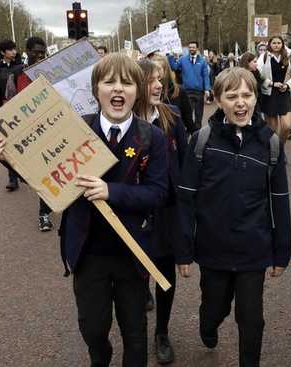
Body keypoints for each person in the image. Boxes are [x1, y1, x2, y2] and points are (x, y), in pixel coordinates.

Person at [0, 53, 169, 367]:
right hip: (88, 253)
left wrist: (112, 191)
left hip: (132, 253)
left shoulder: (152, 138)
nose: (118, 89)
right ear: (96, 89)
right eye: (109, 81)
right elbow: (46, 178)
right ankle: (101, 357)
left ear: (137, 90)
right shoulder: (74, 131)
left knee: (135, 335)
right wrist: (9, 158)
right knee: (93, 330)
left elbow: (158, 193)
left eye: (126, 82)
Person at [175, 67, 291, 367]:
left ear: (256, 98)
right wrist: (183, 250)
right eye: (232, 96)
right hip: (214, 248)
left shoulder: (271, 144)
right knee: (216, 306)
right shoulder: (202, 140)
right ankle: (208, 322)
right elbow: (186, 197)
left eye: (247, 95)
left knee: (251, 318)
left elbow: (280, 201)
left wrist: (282, 251)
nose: (241, 102)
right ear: (217, 100)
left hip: (254, 247)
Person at [134, 59, 187, 365]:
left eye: (161, 79)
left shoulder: (172, 115)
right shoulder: (123, 121)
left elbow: (186, 164)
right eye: (151, 80)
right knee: (136, 273)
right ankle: (138, 325)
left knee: (165, 274)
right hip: (134, 211)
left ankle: (162, 332)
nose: (158, 85)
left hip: (168, 211)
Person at [14, 37, 56, 232]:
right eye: (36, 52)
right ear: (27, 51)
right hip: (30, 132)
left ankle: (45, 212)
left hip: (54, 126)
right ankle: (45, 212)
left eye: (43, 52)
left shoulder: (52, 72)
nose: (40, 55)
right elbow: (8, 102)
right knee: (41, 173)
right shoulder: (17, 75)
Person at [0, 39, 23, 191]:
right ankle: (12, 179)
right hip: (7, 112)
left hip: (23, 109)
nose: (14, 51)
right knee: (8, 146)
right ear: (3, 52)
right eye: (10, 49)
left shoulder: (22, 67)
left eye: (14, 49)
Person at [257, 36, 291, 142]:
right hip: (269, 94)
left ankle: (280, 146)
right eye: (274, 43)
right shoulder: (264, 57)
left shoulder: (290, 57)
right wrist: (271, 83)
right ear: (270, 44)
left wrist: (288, 85)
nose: (276, 45)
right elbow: (258, 74)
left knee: (286, 126)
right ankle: (275, 152)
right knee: (273, 129)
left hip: (284, 93)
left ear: (282, 44)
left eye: (279, 43)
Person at [168, 41, 211, 130]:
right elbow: (174, 67)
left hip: (199, 92)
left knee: (199, 114)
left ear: (197, 49)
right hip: (187, 91)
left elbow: (206, 75)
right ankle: (189, 131)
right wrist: (170, 56)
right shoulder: (183, 59)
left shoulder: (202, 61)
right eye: (190, 47)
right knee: (188, 114)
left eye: (193, 47)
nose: (191, 49)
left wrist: (207, 89)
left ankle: (198, 133)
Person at [150, 54, 195, 134]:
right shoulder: (147, 92)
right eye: (152, 69)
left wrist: (193, 134)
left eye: (158, 69)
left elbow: (187, 116)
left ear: (165, 70)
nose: (155, 72)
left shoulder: (179, 91)